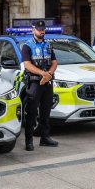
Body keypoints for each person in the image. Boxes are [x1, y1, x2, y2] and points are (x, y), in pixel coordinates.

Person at [19, 20, 59, 150]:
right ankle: (29, 141)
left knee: (46, 111)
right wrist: (43, 73)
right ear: (33, 30)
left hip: (47, 82)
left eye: (43, 29)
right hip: (35, 83)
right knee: (31, 112)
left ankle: (45, 138)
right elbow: (27, 65)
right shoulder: (27, 46)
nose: (42, 31)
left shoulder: (48, 45)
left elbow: (54, 62)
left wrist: (49, 73)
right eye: (39, 29)